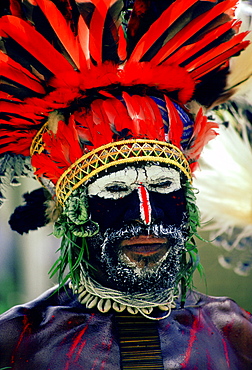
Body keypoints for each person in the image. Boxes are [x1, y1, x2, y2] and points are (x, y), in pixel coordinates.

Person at [0, 0, 251, 369]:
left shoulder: (234, 333)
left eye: (165, 186)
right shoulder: (18, 341)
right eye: (116, 190)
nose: (146, 216)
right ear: (73, 210)